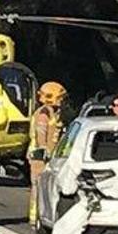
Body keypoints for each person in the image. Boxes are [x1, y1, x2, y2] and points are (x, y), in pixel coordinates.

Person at [27, 81, 67, 225]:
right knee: (39, 186)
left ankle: (38, 215)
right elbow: (41, 133)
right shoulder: (44, 113)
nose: (62, 100)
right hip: (40, 157)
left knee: (44, 186)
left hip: (48, 156)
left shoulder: (53, 112)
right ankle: (35, 216)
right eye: (60, 97)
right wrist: (44, 149)